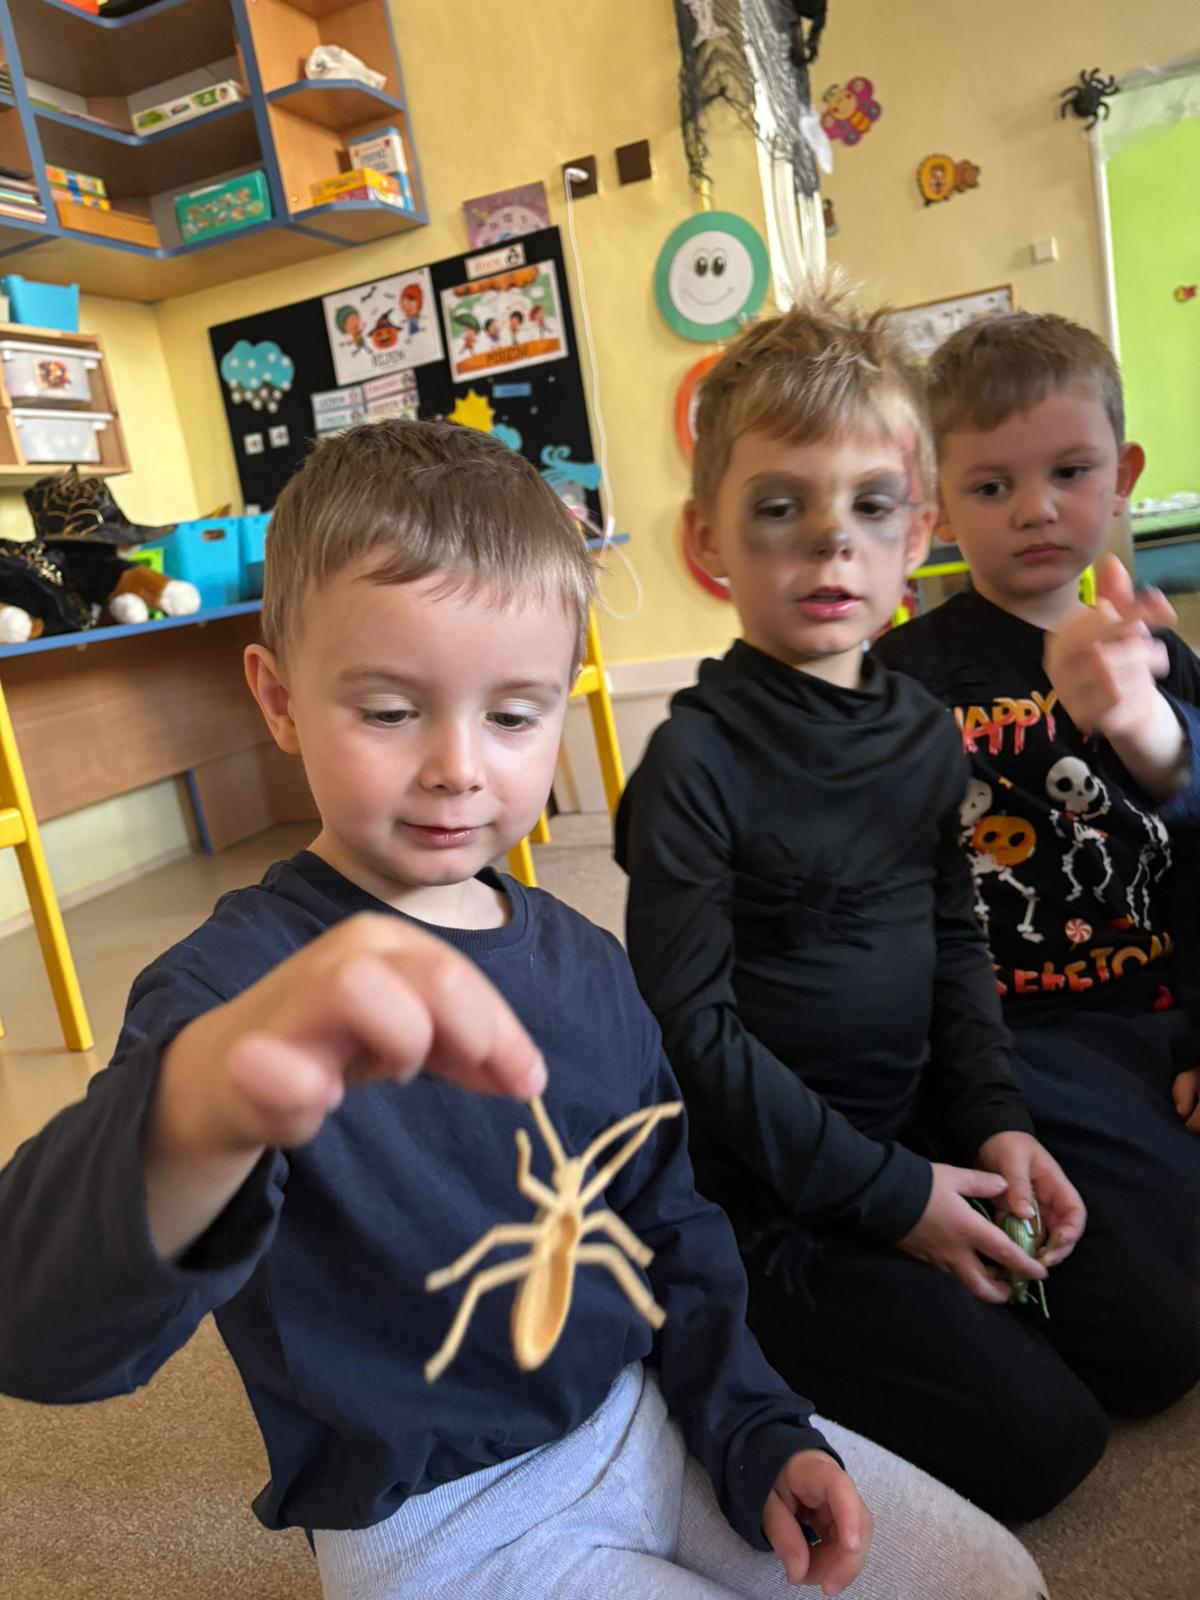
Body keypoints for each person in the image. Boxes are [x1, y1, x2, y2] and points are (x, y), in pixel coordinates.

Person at [0, 421, 1046, 1600]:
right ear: (280, 699)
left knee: (992, 1581)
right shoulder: (230, 998)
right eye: (389, 711)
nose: (458, 766)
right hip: (440, 1524)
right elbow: (39, 1335)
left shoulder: (589, 963)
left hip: (647, 1419)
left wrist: (753, 1416)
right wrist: (199, 1108)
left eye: (512, 715)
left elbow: (667, 1218)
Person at [615, 283, 1144, 1524]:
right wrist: (895, 1201)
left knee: (1155, 1344)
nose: (829, 544)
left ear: (918, 533)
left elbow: (955, 937)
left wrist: (997, 1121)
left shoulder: (916, 727)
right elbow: (693, 1034)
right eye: (780, 508)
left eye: (869, 506)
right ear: (709, 542)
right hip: (769, 1193)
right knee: (1046, 1446)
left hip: (919, 1125)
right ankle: (699, 1347)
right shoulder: (692, 765)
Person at [873, 309, 1200, 1394]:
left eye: (1069, 471)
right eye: (991, 485)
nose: (1036, 509)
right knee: (1154, 1339)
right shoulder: (903, 680)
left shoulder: (1159, 653)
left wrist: (1146, 720)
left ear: (1123, 474)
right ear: (937, 506)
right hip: (1023, 1040)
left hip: (1161, 1005)